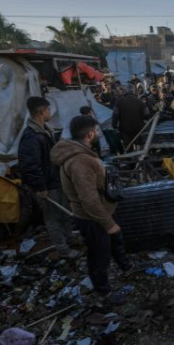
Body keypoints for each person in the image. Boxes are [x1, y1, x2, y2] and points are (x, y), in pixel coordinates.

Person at [51, 115, 132, 305]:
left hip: (103, 212)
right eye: (96, 131)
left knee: (114, 243)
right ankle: (104, 292)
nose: (97, 134)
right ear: (90, 133)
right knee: (99, 256)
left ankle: (126, 267)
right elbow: (88, 199)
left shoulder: (83, 153)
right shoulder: (80, 161)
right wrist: (108, 223)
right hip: (93, 218)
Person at [18, 97, 77, 259]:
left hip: (56, 181)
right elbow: (30, 165)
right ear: (41, 111)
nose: (50, 113)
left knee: (65, 214)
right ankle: (64, 250)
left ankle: (70, 241)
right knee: (53, 219)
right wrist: (40, 187)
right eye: (48, 110)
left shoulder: (44, 130)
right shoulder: (31, 136)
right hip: (47, 186)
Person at [112, 84, 149, 148]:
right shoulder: (140, 102)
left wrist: (114, 126)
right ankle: (139, 156)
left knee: (128, 148)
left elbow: (115, 115)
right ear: (134, 91)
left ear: (125, 91)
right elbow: (147, 115)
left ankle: (128, 157)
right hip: (138, 129)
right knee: (139, 147)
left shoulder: (119, 102)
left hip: (124, 129)